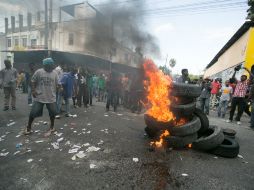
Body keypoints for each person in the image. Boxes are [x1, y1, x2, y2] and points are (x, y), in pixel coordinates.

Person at [24, 58, 58, 135]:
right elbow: (33, 81)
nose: (52, 66)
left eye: (52, 65)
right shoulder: (39, 72)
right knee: (33, 113)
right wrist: (33, 90)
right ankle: (28, 127)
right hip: (40, 97)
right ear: (46, 65)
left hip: (51, 97)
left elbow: (57, 83)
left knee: (52, 113)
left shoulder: (55, 73)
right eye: (51, 65)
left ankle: (52, 127)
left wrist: (60, 87)